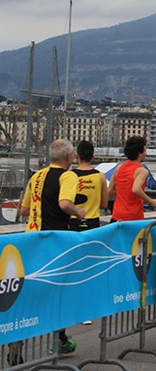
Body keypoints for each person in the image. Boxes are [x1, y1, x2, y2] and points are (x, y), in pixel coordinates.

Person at [19, 139, 86, 355]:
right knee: (60, 291)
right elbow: (64, 203)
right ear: (69, 158)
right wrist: (78, 213)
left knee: (30, 293)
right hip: (56, 241)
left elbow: (23, 210)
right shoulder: (68, 175)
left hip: (31, 240)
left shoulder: (36, 176)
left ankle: (17, 344)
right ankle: (58, 340)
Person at [109, 136, 156, 222]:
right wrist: (151, 200)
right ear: (139, 153)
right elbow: (136, 189)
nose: (146, 153)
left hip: (116, 215)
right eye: (145, 150)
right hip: (133, 217)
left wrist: (123, 190)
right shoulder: (142, 171)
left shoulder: (119, 168)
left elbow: (110, 191)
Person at [70, 140, 108, 231]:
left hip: (73, 220)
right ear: (93, 157)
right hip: (93, 222)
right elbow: (104, 204)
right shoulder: (101, 176)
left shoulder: (69, 176)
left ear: (77, 156)